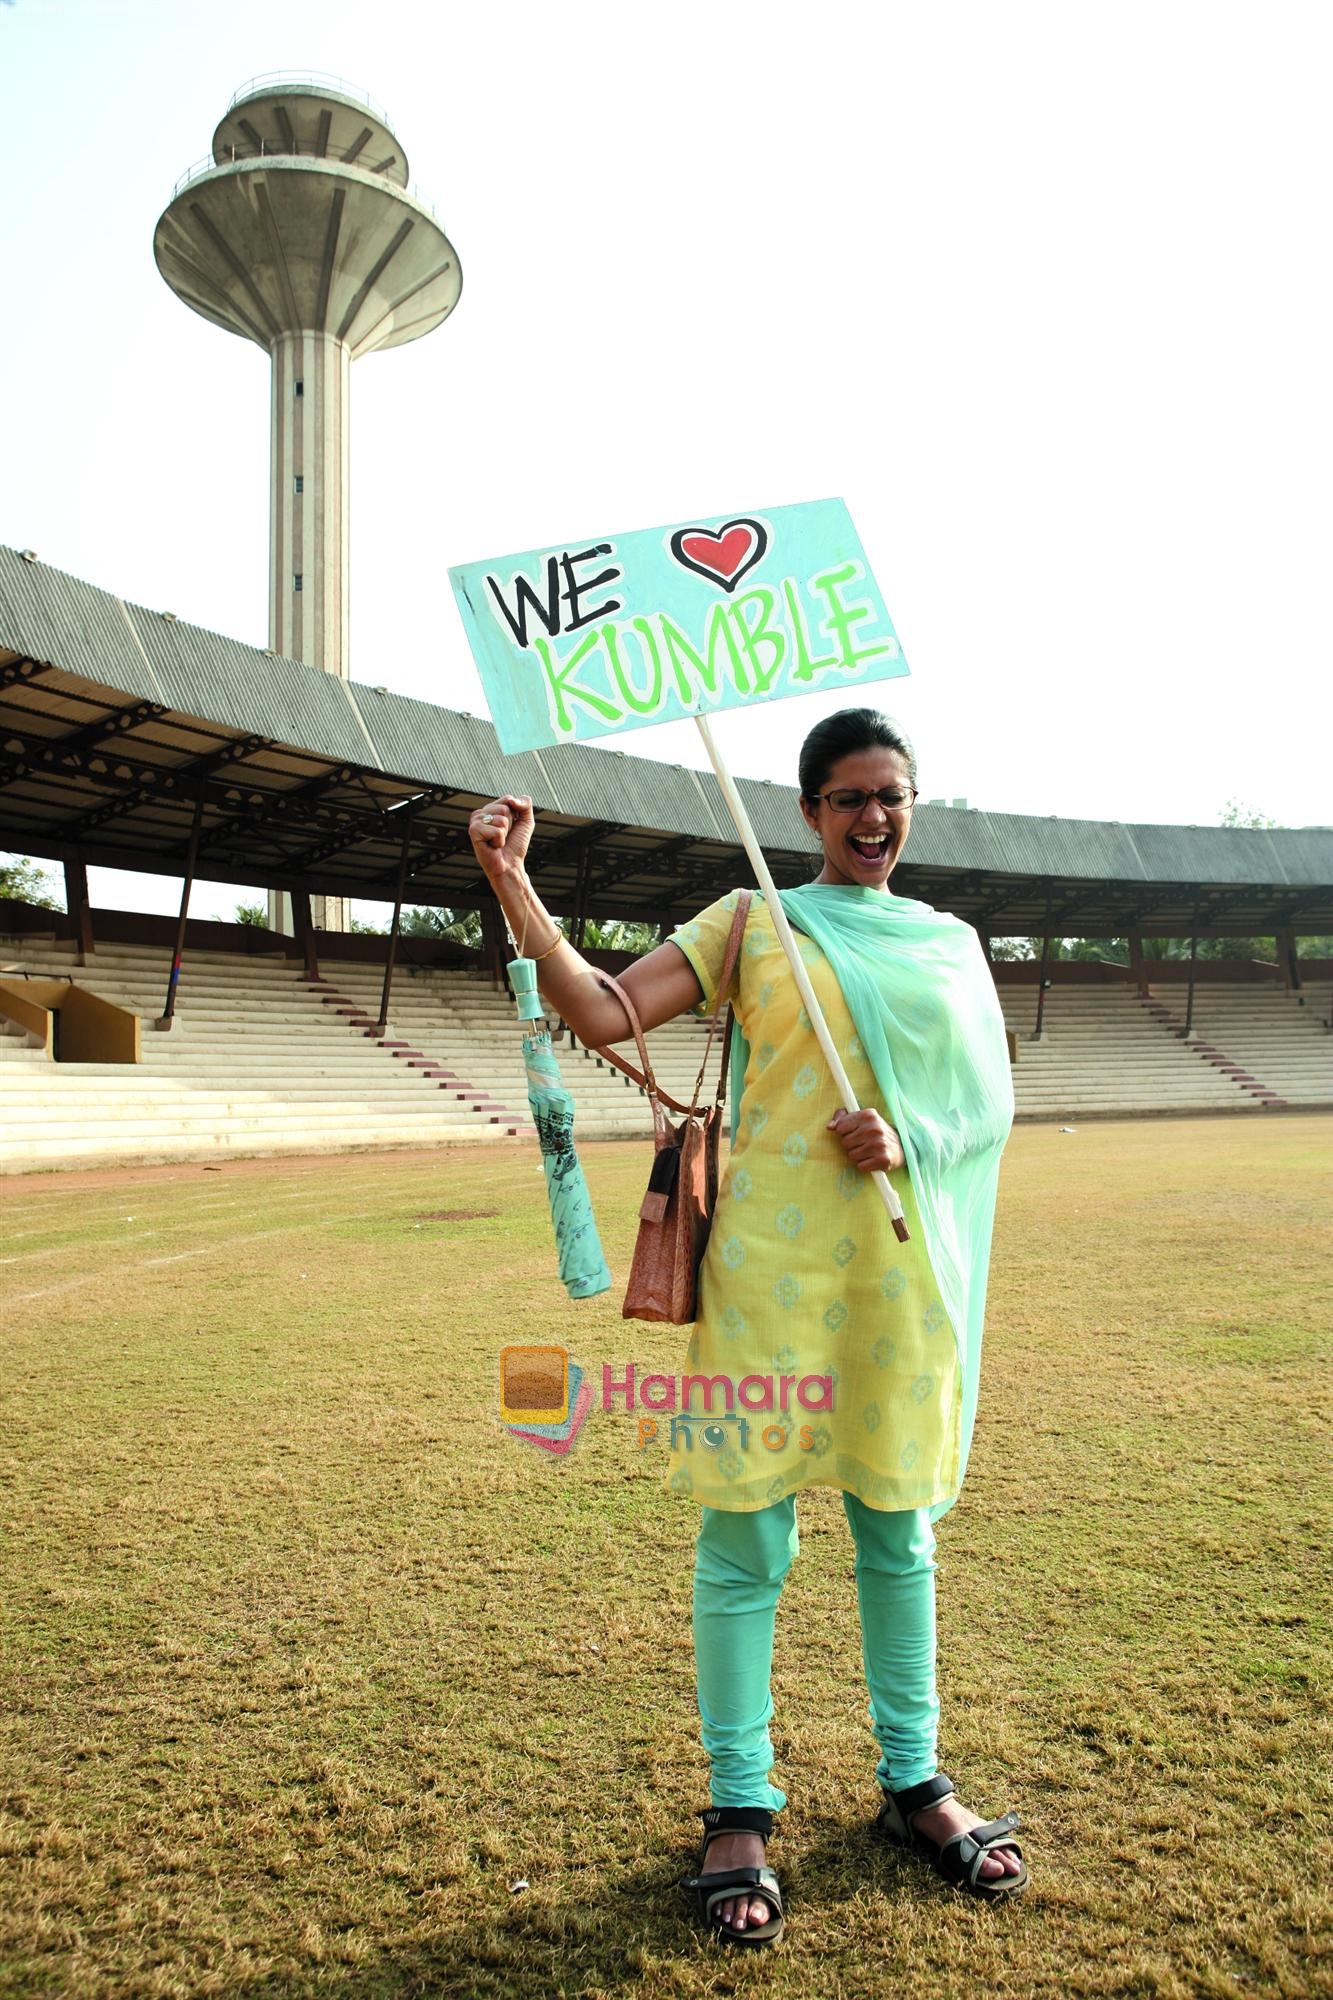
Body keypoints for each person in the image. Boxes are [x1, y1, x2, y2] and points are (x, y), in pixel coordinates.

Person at [467, 707, 1024, 1947]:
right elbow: (607, 1013)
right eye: (846, 798)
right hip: (767, 1284)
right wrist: (513, 883)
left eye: (891, 794)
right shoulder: (751, 920)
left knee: (899, 1535)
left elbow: (987, 1102)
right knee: (741, 1547)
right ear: (808, 813)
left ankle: (915, 1782)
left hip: (896, 1278)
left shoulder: (950, 942)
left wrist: (912, 1137)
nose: (872, 817)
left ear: (909, 802)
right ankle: (738, 1801)